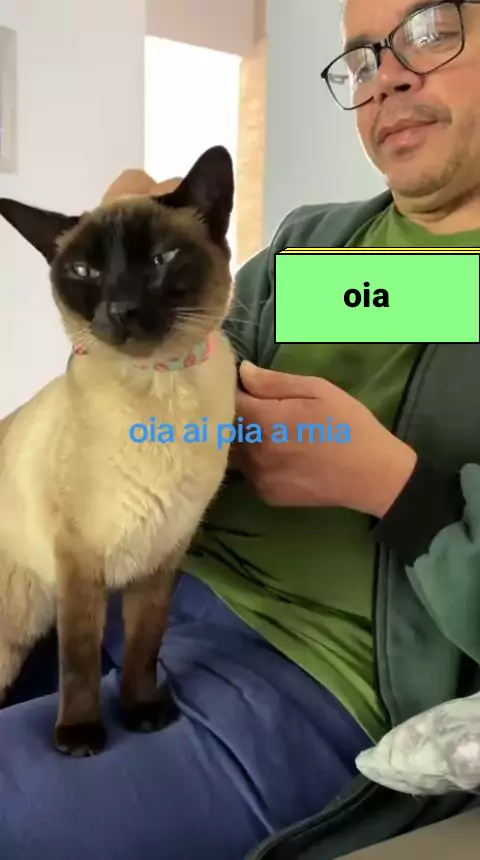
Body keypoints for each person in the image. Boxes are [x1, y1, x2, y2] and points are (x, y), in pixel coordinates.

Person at [2, 0, 480, 858]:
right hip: (145, 582)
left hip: (308, 670)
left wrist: (396, 489)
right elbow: (177, 365)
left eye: (429, 31)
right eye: (361, 59)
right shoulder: (317, 246)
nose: (386, 79)